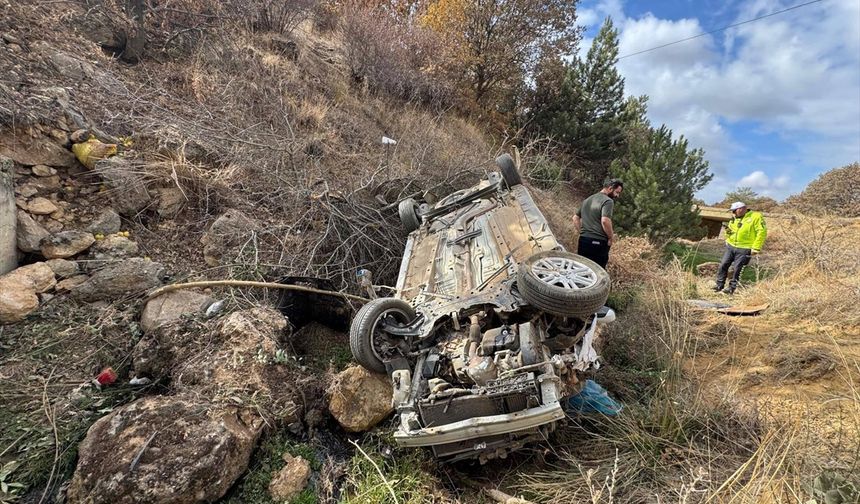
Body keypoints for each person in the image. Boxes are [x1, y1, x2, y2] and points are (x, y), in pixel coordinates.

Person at [713, 201, 767, 294]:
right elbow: (731, 230)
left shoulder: (756, 217)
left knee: (737, 268)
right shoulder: (734, 218)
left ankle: (731, 288)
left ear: (741, 209)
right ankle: (719, 285)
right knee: (723, 264)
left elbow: (762, 232)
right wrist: (727, 235)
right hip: (731, 246)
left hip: (745, 248)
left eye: (734, 211)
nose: (733, 213)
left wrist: (756, 247)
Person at [573, 179, 623, 269]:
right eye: (617, 192)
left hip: (583, 240)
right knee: (597, 272)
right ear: (610, 188)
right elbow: (605, 220)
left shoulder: (587, 200)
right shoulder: (608, 201)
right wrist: (611, 237)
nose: (617, 196)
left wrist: (582, 233)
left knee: (580, 269)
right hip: (598, 242)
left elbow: (575, 218)